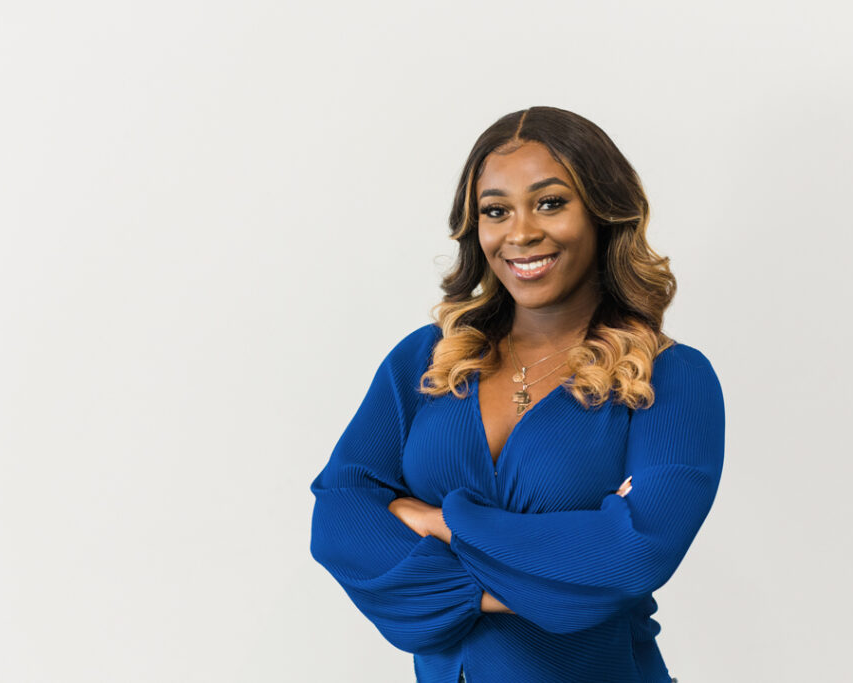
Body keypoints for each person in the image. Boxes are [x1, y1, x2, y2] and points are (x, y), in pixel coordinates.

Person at [309, 105, 723, 683]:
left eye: (551, 202)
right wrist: (545, 584)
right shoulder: (428, 360)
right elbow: (338, 514)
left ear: (604, 212)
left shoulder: (670, 379)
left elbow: (633, 555)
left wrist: (440, 523)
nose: (521, 232)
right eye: (496, 210)